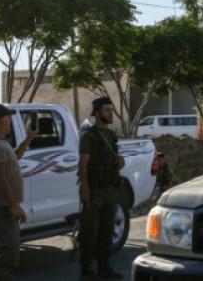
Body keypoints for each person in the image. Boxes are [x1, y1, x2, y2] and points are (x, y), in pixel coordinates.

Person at [0, 104, 35, 281]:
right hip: (0, 209)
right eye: (8, 118)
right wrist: (15, 206)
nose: (10, 121)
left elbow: (15, 156)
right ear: (2, 120)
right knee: (9, 254)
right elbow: (0, 179)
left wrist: (29, 138)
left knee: (11, 253)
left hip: (4, 209)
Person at [78, 97, 126, 280]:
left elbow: (116, 157)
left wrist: (121, 161)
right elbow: (83, 164)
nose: (110, 113)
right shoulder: (89, 135)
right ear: (96, 113)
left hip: (110, 190)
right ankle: (86, 271)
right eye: (107, 110)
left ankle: (104, 268)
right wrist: (85, 189)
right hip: (94, 190)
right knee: (90, 232)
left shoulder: (111, 135)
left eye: (111, 110)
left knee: (107, 232)